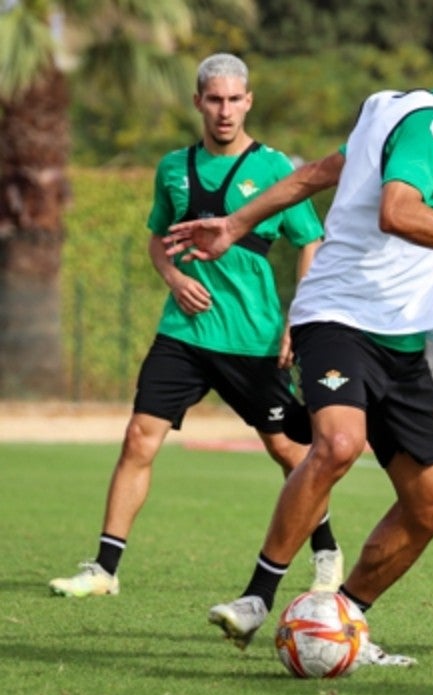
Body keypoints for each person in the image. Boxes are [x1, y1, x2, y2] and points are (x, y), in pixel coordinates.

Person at [166, 0, 433, 665]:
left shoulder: (391, 108)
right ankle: (259, 596)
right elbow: (397, 212)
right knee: (339, 443)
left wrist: (233, 224)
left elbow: (317, 175)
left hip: (400, 342)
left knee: (432, 504)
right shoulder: (431, 126)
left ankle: (341, 620)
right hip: (340, 317)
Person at [48, 53, 343, 599]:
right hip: (182, 335)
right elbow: (158, 238)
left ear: (248, 101)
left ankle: (325, 549)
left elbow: (311, 242)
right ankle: (104, 569)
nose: (225, 111)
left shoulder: (275, 167)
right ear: (198, 103)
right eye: (214, 99)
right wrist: (172, 279)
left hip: (252, 340)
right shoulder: (172, 168)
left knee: (287, 451)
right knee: (139, 438)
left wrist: (298, 318)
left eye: (234, 99)